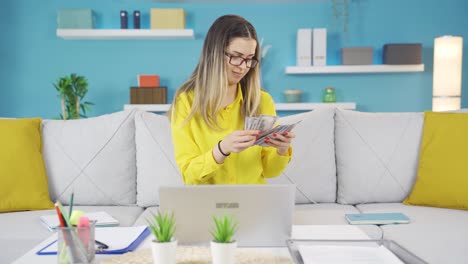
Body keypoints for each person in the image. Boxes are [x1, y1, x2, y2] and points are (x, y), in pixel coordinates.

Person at [170, 14, 295, 185]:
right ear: (214, 53)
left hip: (253, 200)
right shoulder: (186, 102)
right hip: (210, 204)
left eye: (249, 59)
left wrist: (281, 149)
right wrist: (221, 150)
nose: (243, 67)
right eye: (236, 56)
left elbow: (269, 171)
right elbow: (189, 175)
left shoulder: (262, 100)